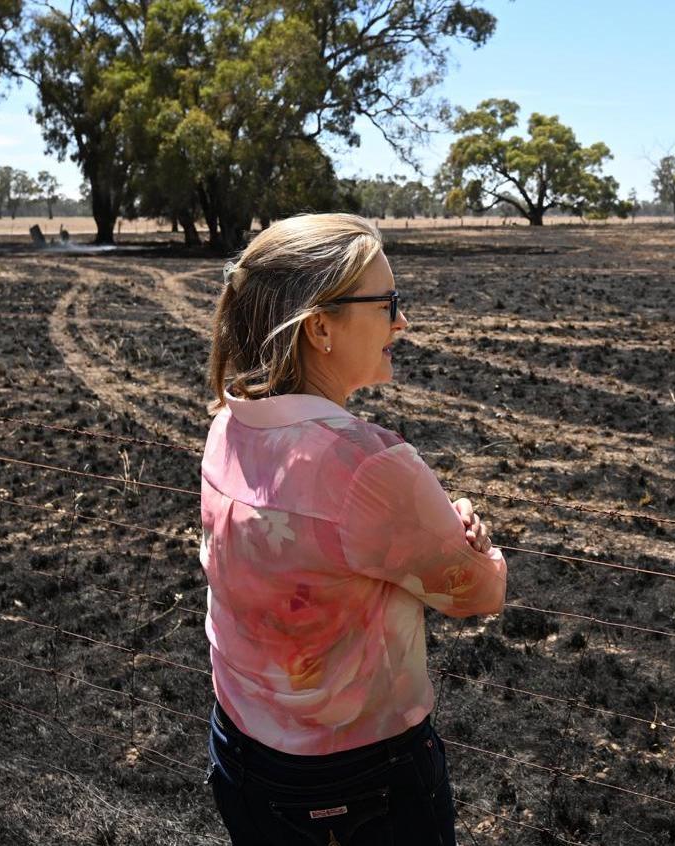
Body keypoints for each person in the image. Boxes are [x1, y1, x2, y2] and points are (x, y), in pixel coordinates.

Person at [201, 213, 507, 845]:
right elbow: (480, 593)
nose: (402, 322)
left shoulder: (229, 424)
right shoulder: (366, 465)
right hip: (358, 787)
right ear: (320, 328)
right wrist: (474, 544)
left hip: (239, 751)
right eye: (387, 303)